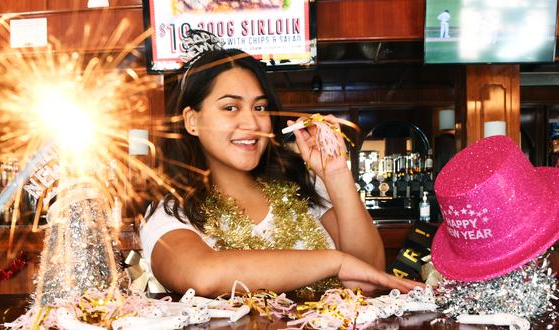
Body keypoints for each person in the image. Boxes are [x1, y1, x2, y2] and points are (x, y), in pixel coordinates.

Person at [140, 48, 421, 297]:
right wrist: (335, 261)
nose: (251, 122)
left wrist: (336, 175)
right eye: (230, 107)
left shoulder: (303, 184)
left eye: (259, 107)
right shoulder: (171, 211)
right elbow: (203, 276)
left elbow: (369, 280)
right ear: (192, 120)